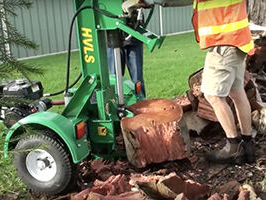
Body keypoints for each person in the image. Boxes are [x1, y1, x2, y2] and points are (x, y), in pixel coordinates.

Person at [122, 0, 255, 164]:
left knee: (213, 96)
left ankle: (233, 147)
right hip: (238, 40)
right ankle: (248, 144)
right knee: (237, 92)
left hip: (224, 42)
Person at [107, 9, 146, 98]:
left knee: (137, 79)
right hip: (112, 38)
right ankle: (116, 104)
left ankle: (142, 103)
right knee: (115, 79)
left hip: (134, 39)